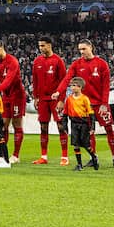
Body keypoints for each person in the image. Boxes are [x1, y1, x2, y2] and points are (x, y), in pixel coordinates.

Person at [55, 39, 114, 168]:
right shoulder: (76, 64)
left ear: (91, 47)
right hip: (85, 105)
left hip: (100, 104)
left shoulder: (101, 64)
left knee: (109, 130)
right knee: (90, 132)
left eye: (84, 49)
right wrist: (58, 91)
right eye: (80, 49)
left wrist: (104, 103)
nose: (82, 52)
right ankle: (93, 157)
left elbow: (105, 86)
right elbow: (67, 78)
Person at [31, 36, 69, 166]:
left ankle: (64, 157)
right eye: (39, 46)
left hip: (55, 99)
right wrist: (35, 97)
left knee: (61, 126)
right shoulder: (37, 61)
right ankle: (43, 156)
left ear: (49, 45)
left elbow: (64, 81)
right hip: (42, 99)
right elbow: (35, 81)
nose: (41, 48)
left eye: (43, 46)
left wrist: (61, 100)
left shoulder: (58, 61)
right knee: (43, 127)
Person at [0, 39, 25, 163]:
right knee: (2, 125)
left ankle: (15, 155)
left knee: (17, 125)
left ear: (2, 47)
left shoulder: (12, 61)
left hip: (17, 96)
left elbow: (8, 81)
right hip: (4, 96)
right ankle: (1, 154)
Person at [65, 76, 100, 171]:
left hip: (83, 123)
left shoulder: (85, 99)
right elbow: (66, 112)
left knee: (86, 145)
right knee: (75, 144)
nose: (72, 87)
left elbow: (91, 113)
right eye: (71, 85)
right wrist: (65, 125)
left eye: (74, 85)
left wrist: (92, 127)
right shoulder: (69, 99)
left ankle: (94, 157)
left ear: (80, 87)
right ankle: (79, 164)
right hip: (74, 123)